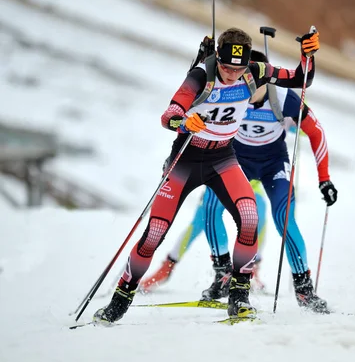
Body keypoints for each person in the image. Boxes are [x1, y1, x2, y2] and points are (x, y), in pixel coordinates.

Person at [93, 27, 320, 324]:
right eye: (226, 66)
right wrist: (186, 121)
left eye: (238, 68)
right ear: (217, 59)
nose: (231, 74)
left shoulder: (254, 72)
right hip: (186, 159)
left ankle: (238, 296)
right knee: (155, 234)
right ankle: (121, 297)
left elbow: (300, 79)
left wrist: (308, 56)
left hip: (222, 157)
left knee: (249, 218)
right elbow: (169, 114)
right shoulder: (203, 74)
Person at [141, 50, 337, 313]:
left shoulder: (282, 98)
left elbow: (317, 132)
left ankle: (304, 290)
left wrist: (324, 179)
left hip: (272, 164)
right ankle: (223, 275)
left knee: (284, 219)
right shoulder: (229, 92)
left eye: (252, 79)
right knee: (208, 209)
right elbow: (189, 109)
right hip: (234, 160)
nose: (244, 84)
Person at [139, 180, 270, 293]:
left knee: (259, 216)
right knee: (199, 222)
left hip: (250, 186)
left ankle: (252, 268)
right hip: (219, 182)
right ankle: (167, 266)